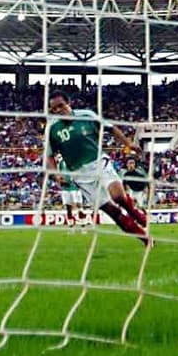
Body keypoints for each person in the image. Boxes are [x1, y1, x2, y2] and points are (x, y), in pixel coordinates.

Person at [44, 91, 150, 246]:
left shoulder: (87, 115)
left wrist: (128, 144)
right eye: (54, 109)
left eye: (61, 106)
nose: (58, 110)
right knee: (113, 212)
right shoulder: (52, 129)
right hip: (80, 175)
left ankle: (134, 211)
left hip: (99, 162)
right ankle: (145, 239)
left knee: (118, 196)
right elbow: (49, 155)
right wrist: (56, 174)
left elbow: (111, 128)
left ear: (69, 103)